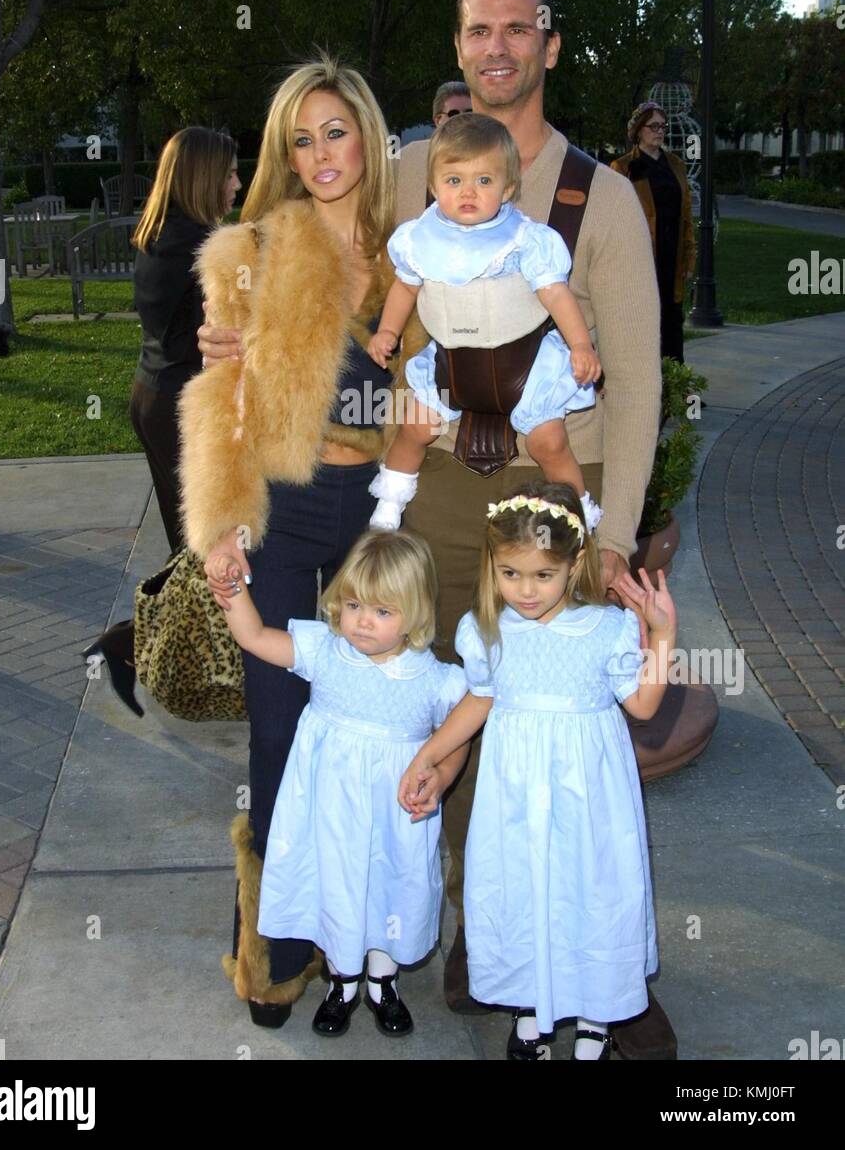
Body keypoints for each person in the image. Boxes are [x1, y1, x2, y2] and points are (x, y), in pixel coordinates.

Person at [199, 0, 672, 1058]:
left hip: (551, 502)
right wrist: (239, 316)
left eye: (518, 29)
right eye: (476, 31)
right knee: (439, 709)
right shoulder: (410, 167)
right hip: (423, 491)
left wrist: (609, 533)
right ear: (457, 47)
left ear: (550, 45)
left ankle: (595, 966)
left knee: (561, 729)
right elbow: (314, 221)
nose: (496, 47)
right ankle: (465, 932)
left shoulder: (594, 195)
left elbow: (638, 377)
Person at [179, 54, 403, 1027]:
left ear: (367, 135)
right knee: (277, 729)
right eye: (299, 139)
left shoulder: (422, 250)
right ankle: (269, 947)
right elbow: (215, 398)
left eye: (335, 131)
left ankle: (360, 932)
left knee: (362, 728)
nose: (320, 153)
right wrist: (218, 529)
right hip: (278, 506)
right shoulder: (251, 251)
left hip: (381, 514)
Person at [399, 482, 676, 1061]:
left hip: (589, 799)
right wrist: (428, 756)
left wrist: (661, 633)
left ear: (575, 565)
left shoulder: (606, 630)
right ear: (492, 566)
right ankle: (531, 1009)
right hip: (515, 796)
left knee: (591, 894)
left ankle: (597, 1018)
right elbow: (480, 700)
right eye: (510, 574)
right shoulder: (487, 630)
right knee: (523, 891)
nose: (525, 591)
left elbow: (644, 706)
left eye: (542, 576)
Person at [218, 528, 467, 1038]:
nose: (362, 622)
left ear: (415, 613)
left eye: (381, 611)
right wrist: (233, 593)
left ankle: (382, 981)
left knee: (388, 886)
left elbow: (457, 735)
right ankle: (342, 981)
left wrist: (440, 775)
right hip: (330, 809)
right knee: (338, 882)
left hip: (395, 812)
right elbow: (255, 637)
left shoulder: (435, 678)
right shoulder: (326, 652)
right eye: (353, 604)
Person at [366, 112, 602, 531]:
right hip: (452, 364)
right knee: (414, 424)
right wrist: (388, 330)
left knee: (548, 440)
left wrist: (581, 345)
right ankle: (391, 500)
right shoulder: (420, 238)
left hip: (525, 366)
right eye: (454, 181)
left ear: (508, 188)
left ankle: (579, 510)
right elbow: (405, 288)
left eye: (484, 181)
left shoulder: (525, 240)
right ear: (433, 185)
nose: (468, 192)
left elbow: (556, 293)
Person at [83, 127, 240, 716]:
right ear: (202, 177)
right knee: (205, 557)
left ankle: (140, 652)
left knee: (192, 551)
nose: (236, 183)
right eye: (227, 173)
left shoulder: (157, 234)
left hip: (150, 396)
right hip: (181, 410)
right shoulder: (202, 244)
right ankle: (126, 648)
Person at [610, 102, 695, 363]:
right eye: (653, 126)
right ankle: (646, 390)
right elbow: (615, 219)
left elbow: (686, 215)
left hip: (672, 254)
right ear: (638, 131)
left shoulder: (675, 165)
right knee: (645, 323)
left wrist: (689, 256)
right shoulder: (623, 168)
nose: (660, 132)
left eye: (663, 126)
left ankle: (677, 394)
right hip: (641, 258)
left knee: (672, 323)